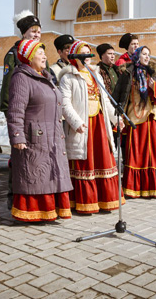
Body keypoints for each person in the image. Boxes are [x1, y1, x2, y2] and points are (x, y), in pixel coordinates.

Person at [7, 39, 73, 221]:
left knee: (51, 174)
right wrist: (17, 136)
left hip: (52, 135)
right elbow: (15, 110)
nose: (44, 56)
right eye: (40, 53)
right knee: (35, 174)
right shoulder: (21, 77)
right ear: (29, 57)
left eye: (44, 53)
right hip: (33, 136)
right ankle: (32, 213)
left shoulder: (46, 77)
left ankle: (52, 210)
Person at [58, 41, 124, 214]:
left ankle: (104, 200)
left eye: (89, 53)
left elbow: (106, 100)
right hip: (84, 125)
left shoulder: (96, 75)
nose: (88, 57)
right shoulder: (68, 77)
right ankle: (85, 202)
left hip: (100, 124)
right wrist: (76, 122)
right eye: (84, 53)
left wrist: (115, 119)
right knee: (85, 162)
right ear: (75, 56)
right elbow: (64, 104)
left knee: (104, 160)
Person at [112, 46, 156, 198]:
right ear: (136, 56)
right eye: (144, 54)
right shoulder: (127, 73)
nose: (147, 57)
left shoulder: (155, 74)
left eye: (148, 54)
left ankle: (155, 188)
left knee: (155, 152)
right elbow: (117, 95)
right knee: (136, 152)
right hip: (134, 118)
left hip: (152, 116)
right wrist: (117, 115)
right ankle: (134, 188)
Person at [0, 10, 43, 210]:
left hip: (39, 114)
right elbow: (8, 87)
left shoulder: (40, 52)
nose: (36, 35)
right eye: (32, 32)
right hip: (21, 114)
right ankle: (13, 195)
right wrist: (9, 114)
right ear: (24, 33)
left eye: (38, 31)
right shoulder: (14, 54)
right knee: (18, 158)